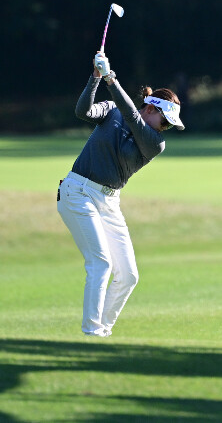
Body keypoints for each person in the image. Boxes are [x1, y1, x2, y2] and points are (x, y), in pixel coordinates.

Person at [57, 50, 184, 337]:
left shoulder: (155, 143)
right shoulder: (113, 110)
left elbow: (134, 120)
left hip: (109, 201)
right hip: (77, 191)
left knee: (128, 275)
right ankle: (92, 332)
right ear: (150, 108)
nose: (165, 129)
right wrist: (96, 78)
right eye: (165, 121)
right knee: (101, 262)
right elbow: (83, 112)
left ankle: (103, 328)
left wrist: (112, 79)